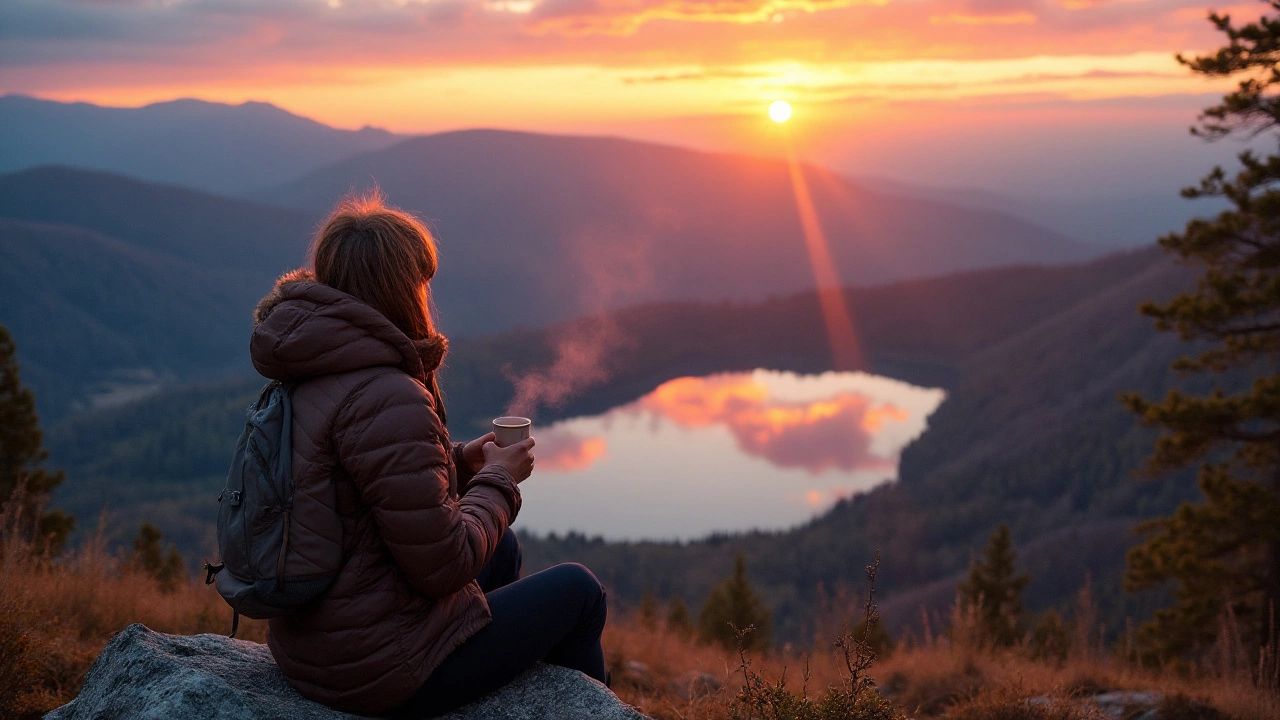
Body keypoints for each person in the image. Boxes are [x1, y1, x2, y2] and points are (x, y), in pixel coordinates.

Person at [249, 192, 609, 718]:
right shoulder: (386, 394)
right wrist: (500, 482)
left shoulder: (313, 363)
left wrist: (460, 465)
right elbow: (442, 568)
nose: (426, 294)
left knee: (501, 548)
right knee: (579, 592)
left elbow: (364, 489)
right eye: (421, 281)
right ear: (400, 290)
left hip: (316, 643)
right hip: (377, 670)